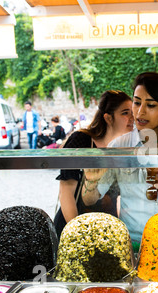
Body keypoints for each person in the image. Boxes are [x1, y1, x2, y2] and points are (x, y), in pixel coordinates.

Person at [81, 72, 158, 243]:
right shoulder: (119, 146)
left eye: (151, 105)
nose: (140, 112)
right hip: (133, 243)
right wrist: (91, 181)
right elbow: (89, 199)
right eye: (137, 102)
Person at [53, 90, 134, 238]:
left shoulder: (125, 147)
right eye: (125, 113)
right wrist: (77, 233)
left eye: (133, 113)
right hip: (73, 226)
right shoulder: (81, 140)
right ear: (108, 118)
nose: (132, 118)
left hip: (106, 230)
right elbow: (66, 190)